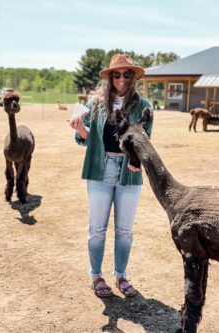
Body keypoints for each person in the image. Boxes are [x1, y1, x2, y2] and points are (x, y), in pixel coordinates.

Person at [70, 54, 153, 298]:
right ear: (110, 77)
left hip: (129, 172)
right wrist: (80, 129)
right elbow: (86, 139)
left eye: (127, 74)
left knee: (125, 230)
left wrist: (138, 162)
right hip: (100, 169)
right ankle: (96, 275)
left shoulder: (143, 105)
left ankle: (121, 275)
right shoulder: (96, 104)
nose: (121, 78)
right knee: (97, 229)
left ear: (133, 77)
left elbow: (145, 141)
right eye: (116, 74)